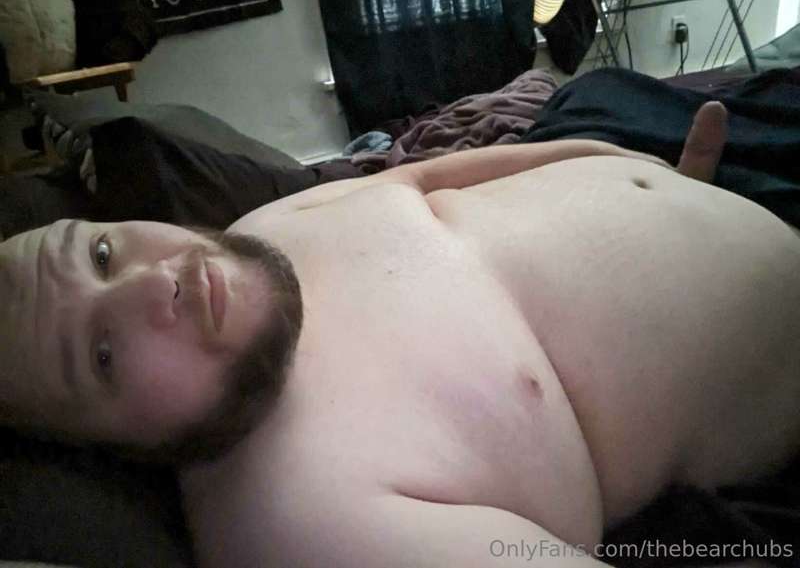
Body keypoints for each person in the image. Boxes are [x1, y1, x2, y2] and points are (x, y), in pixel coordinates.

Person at [1, 101, 799, 567]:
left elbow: (427, 176)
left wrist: (619, 161)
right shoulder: (300, 523)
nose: (154, 282)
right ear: (114, 454)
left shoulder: (257, 229)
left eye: (101, 253)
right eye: (102, 355)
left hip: (704, 177)